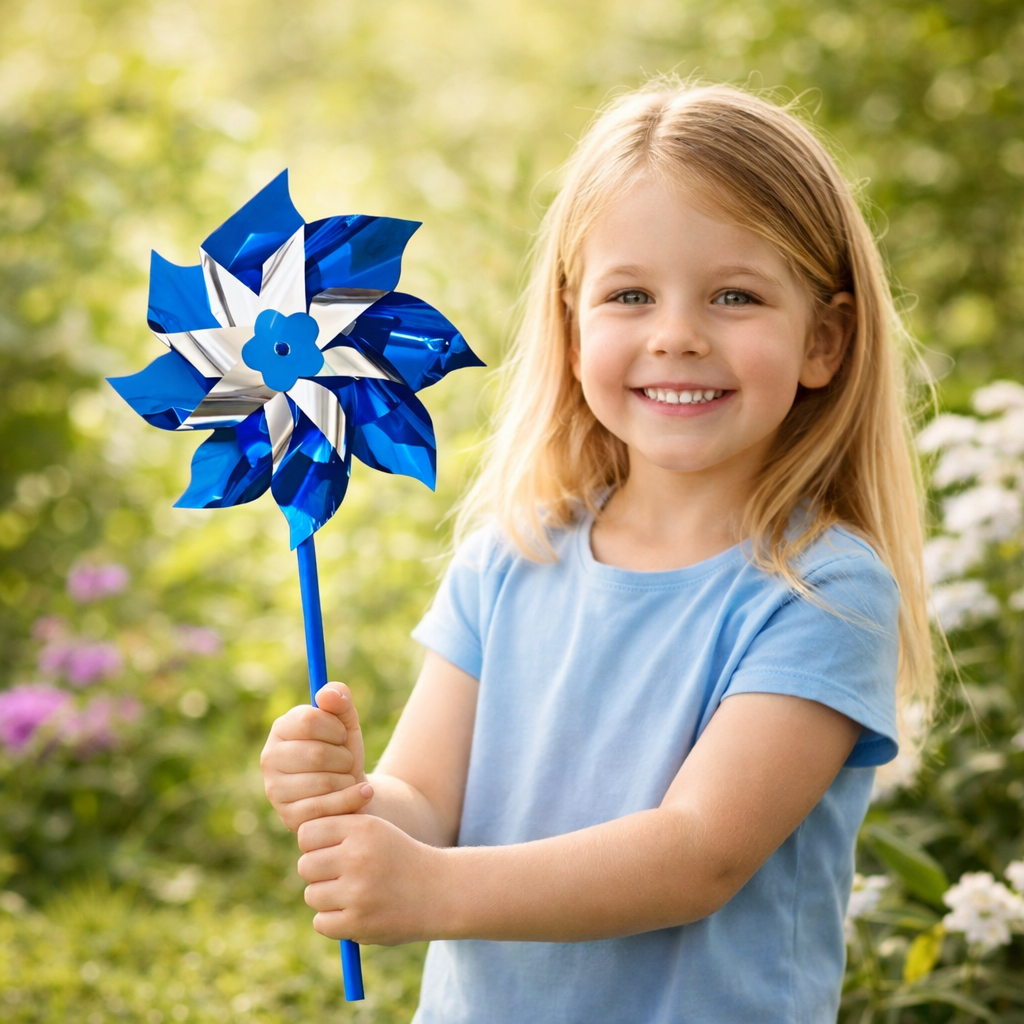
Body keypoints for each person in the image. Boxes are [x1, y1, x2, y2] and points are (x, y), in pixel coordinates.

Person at [259, 79, 941, 1023]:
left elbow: (698, 853)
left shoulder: (823, 591)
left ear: (823, 341)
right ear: (572, 325)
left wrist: (430, 890)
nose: (677, 336)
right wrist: (351, 802)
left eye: (735, 295)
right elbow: (422, 804)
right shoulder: (512, 559)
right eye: (630, 295)